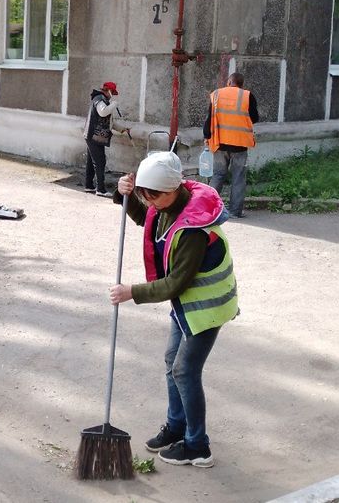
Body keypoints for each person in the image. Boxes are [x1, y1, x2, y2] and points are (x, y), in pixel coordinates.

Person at [110, 151, 239, 468]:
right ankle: (176, 425)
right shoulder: (166, 205)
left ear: (173, 189)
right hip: (187, 308)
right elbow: (146, 217)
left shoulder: (193, 229)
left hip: (206, 309)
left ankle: (198, 445)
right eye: (145, 194)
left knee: (184, 370)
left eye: (153, 196)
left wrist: (132, 292)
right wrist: (123, 193)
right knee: (172, 361)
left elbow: (175, 284)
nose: (149, 201)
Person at [203, 72, 259, 218]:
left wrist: (206, 136)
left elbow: (209, 118)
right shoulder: (247, 95)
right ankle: (235, 211)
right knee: (238, 177)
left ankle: (207, 208)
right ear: (241, 84)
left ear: (229, 82)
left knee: (218, 175)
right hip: (240, 144)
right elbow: (255, 117)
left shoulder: (216, 94)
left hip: (220, 142)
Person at [83, 81, 119, 197]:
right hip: (94, 136)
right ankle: (100, 189)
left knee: (91, 162)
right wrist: (113, 105)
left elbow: (109, 122)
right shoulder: (99, 98)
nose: (112, 94)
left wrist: (123, 129)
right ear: (108, 90)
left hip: (95, 136)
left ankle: (89, 186)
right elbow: (103, 112)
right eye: (112, 92)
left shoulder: (103, 100)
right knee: (100, 162)